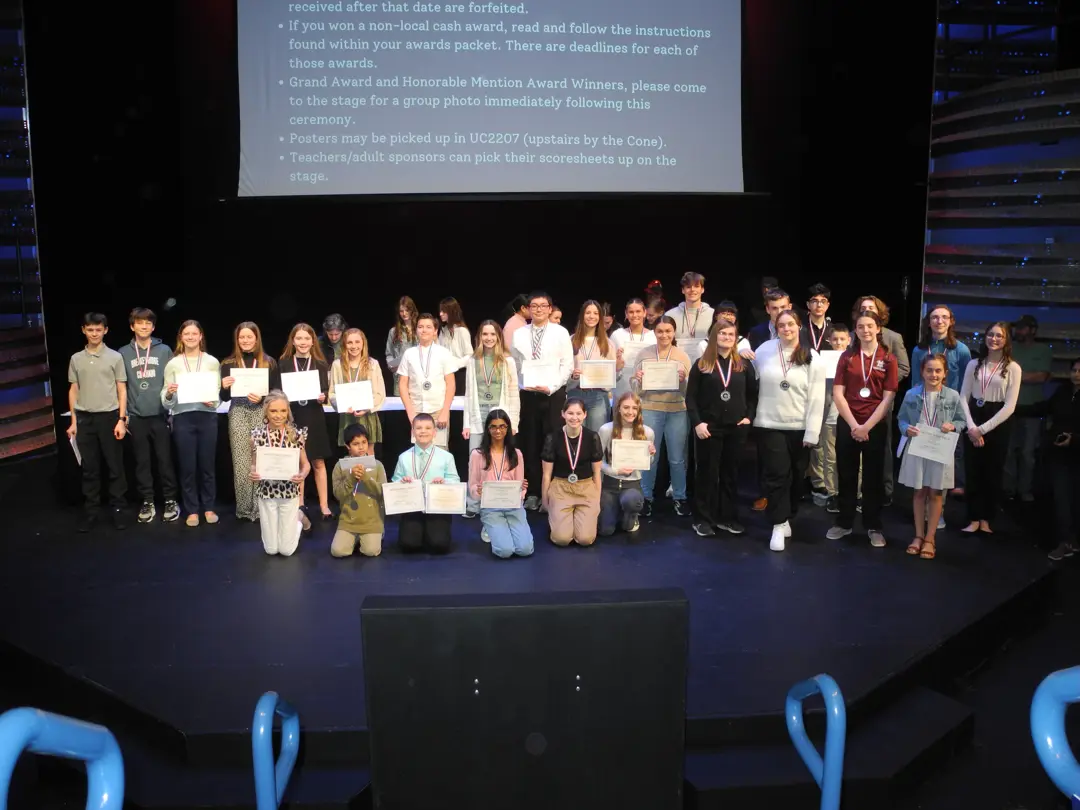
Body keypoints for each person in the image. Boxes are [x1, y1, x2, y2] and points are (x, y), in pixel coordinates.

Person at [752, 310, 826, 551]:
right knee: (777, 475)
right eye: (781, 325)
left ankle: (788, 515)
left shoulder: (812, 357)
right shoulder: (764, 350)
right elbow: (748, 374)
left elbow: (817, 397)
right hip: (769, 424)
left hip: (799, 427)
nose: (786, 329)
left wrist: (812, 432)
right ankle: (777, 523)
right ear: (776, 328)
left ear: (799, 326)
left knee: (795, 477)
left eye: (790, 324)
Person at [827, 310, 899, 547]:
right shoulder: (847, 357)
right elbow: (838, 393)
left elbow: (888, 398)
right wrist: (854, 425)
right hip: (849, 422)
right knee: (846, 474)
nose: (865, 330)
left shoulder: (888, 359)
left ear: (878, 328)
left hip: (875, 425)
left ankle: (873, 525)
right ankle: (844, 522)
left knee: (873, 477)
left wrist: (866, 426)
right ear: (855, 331)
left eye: (870, 326)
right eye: (860, 326)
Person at [687, 321, 756, 537]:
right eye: (722, 333)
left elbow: (753, 395)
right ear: (714, 336)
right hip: (709, 428)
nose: (727, 337)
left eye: (731, 334)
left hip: (736, 428)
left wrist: (748, 417)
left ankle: (727, 518)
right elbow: (690, 398)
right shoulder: (702, 364)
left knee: (730, 475)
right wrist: (697, 423)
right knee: (707, 474)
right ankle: (703, 519)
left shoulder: (744, 365)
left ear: (736, 338)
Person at [510, 291, 574, 510]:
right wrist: (522, 384)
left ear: (549, 309)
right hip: (528, 395)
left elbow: (567, 364)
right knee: (530, 443)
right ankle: (533, 492)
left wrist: (552, 387)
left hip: (553, 395)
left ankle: (554, 492)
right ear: (527, 309)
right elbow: (515, 364)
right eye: (534, 306)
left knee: (553, 442)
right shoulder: (519, 334)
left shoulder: (560, 332)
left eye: (543, 306)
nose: (538, 309)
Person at [896, 354, 965, 560]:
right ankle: (918, 535)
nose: (933, 374)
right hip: (918, 448)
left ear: (945, 373)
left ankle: (930, 538)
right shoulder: (911, 394)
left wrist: (953, 426)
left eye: (938, 371)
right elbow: (901, 419)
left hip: (940, 449)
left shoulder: (952, 396)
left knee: (935, 493)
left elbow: (961, 421)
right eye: (929, 370)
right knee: (919, 492)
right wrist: (906, 429)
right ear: (922, 372)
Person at [67, 312, 129, 532]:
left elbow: (122, 390)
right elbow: (74, 390)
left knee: (115, 467)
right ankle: (91, 512)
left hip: (109, 417)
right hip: (85, 418)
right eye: (90, 329)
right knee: (89, 468)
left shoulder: (115, 357)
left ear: (105, 330)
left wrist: (121, 419)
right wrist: (74, 421)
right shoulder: (76, 359)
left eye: (98, 329)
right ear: (84, 330)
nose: (94, 333)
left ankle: (119, 510)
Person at [958, 322, 1021, 534]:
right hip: (974, 418)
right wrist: (971, 427)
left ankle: (986, 518)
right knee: (973, 470)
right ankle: (973, 517)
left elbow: (1010, 406)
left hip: (997, 421)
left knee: (993, 471)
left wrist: (982, 430)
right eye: (991, 334)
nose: (994, 339)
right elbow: (963, 397)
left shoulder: (1013, 368)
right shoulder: (974, 364)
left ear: (1006, 340)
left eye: (999, 336)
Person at [1015, 357, 1080, 560]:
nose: (1076, 374)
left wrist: (1074, 439)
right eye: (1074, 370)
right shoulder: (1063, 391)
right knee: (1062, 499)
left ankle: (1071, 541)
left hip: (1076, 454)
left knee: (1073, 500)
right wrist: (1013, 409)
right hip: (1058, 453)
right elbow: (1043, 408)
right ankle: (1065, 541)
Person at [118, 307, 178, 524]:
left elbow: (173, 381)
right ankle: (147, 501)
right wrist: (124, 416)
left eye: (148, 323)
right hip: (136, 416)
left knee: (165, 461)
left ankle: (170, 500)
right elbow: (121, 386)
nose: (144, 327)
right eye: (139, 323)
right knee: (142, 463)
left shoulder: (164, 350)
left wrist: (171, 411)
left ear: (153, 327)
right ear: (132, 326)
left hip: (160, 415)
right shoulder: (123, 353)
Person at [629, 315, 692, 517]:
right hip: (650, 409)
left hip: (677, 411)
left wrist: (683, 381)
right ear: (654, 332)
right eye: (660, 331)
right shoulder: (644, 354)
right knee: (649, 457)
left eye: (668, 331)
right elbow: (635, 389)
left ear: (674, 333)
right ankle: (646, 497)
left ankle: (680, 497)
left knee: (677, 458)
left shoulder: (682, 356)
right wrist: (638, 380)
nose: (664, 335)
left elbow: (689, 391)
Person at [850, 295, 909, 505]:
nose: (866, 310)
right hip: (854, 405)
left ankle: (885, 490)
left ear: (879, 313)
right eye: (862, 307)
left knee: (882, 448)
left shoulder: (893, 337)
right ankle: (856, 492)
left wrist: (883, 384)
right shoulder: (852, 336)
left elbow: (904, 367)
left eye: (871, 307)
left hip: (882, 402)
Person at [911, 304, 972, 505]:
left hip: (949, 412)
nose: (939, 321)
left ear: (951, 321)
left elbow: (966, 385)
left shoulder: (961, 350)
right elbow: (915, 382)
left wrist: (959, 414)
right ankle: (922, 509)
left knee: (945, 464)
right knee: (923, 462)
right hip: (925, 410)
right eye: (935, 317)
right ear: (929, 322)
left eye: (944, 317)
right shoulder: (919, 349)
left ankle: (939, 510)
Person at [162, 319, 220, 527]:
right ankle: (192, 510)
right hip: (183, 418)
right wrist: (169, 393)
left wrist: (213, 401)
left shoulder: (212, 362)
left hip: (207, 417)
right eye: (186, 334)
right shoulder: (173, 364)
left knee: (207, 466)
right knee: (187, 467)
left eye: (194, 333)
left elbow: (217, 392)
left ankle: (209, 507)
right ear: (181, 337)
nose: (190, 337)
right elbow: (165, 398)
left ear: (200, 336)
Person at [219, 321, 277, 522]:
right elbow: (224, 398)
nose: (245, 340)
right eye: (241, 337)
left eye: (249, 337)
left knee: (263, 460)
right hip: (238, 412)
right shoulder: (228, 363)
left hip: (262, 411)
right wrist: (224, 387)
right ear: (237, 340)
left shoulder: (268, 362)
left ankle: (261, 508)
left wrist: (263, 398)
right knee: (241, 461)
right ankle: (244, 509)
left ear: (256, 338)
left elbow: (277, 392)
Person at [462, 320, 520, 515]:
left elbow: (514, 394)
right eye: (485, 334)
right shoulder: (472, 361)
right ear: (479, 337)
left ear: (499, 337)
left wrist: (513, 422)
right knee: (475, 460)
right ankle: (473, 504)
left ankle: (499, 500)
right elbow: (468, 394)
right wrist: (466, 424)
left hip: (499, 418)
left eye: (492, 334)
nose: (489, 338)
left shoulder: (507, 361)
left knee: (499, 460)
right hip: (478, 416)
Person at [280, 323, 332, 524]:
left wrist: (323, 396)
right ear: (293, 341)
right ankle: (299, 503)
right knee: (297, 462)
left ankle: (324, 505)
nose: (303, 342)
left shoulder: (320, 364)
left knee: (318, 461)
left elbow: (326, 391)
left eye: (307, 338)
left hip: (314, 416)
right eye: (299, 338)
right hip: (293, 417)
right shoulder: (284, 363)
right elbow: (277, 391)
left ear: (313, 341)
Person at [249, 391, 310, 556]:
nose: (278, 415)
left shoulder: (296, 435)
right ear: (266, 412)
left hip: (289, 493)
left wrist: (302, 475)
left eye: (283, 411)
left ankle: (299, 519)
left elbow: (306, 465)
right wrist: (253, 473)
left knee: (286, 551)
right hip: (266, 493)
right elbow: (254, 464)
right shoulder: (257, 435)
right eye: (273, 411)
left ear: (288, 411)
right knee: (271, 550)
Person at [391, 413, 461, 553]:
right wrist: (402, 482)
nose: (423, 431)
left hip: (437, 507)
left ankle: (430, 532)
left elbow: (455, 482)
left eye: (428, 428)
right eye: (419, 428)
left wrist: (444, 482)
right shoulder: (404, 457)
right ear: (413, 432)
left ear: (434, 432)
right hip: (412, 508)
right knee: (409, 545)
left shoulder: (446, 457)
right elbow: (395, 482)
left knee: (439, 545)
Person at [468, 408, 533, 558]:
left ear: (508, 428)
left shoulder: (516, 454)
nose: (498, 431)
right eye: (494, 427)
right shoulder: (477, 455)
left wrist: (522, 489)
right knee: (505, 551)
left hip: (513, 506)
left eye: (502, 426)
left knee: (525, 550)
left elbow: (520, 483)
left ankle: (505, 529)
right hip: (490, 507)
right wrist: (477, 490)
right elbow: (472, 485)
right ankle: (490, 527)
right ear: (488, 429)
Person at [541, 398, 604, 546]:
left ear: (585, 415)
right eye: (570, 413)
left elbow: (597, 473)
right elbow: (547, 474)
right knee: (561, 539)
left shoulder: (592, 437)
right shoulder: (553, 437)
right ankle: (559, 520)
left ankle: (576, 519)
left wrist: (597, 499)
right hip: (561, 488)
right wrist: (545, 501)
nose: (574, 417)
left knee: (585, 539)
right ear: (563, 414)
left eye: (578, 413)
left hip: (586, 488)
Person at [1004, 314, 1052, 503]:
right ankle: (1008, 489)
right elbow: (1002, 374)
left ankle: (1025, 490)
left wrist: (1015, 376)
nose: (1019, 331)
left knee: (1028, 453)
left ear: (1033, 330)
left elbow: (1042, 377)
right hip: (1009, 409)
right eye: (1018, 327)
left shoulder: (1043, 350)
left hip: (1032, 409)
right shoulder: (1010, 348)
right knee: (1008, 451)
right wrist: (1026, 376)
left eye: (1023, 327)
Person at [597, 392, 655, 536]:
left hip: (632, 485)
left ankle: (631, 517)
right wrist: (616, 471)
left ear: (639, 410)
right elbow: (597, 462)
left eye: (634, 408)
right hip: (609, 484)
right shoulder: (606, 430)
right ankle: (615, 510)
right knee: (606, 531)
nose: (630, 412)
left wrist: (650, 455)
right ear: (618, 408)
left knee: (631, 503)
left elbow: (647, 464)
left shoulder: (647, 432)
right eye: (626, 407)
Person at [398, 312, 457, 448]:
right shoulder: (409, 354)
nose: (424, 330)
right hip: (417, 411)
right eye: (420, 327)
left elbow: (451, 384)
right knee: (420, 453)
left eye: (428, 327)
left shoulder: (444, 353)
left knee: (440, 452)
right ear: (416, 330)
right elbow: (402, 385)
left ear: (435, 331)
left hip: (438, 411)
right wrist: (411, 413)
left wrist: (445, 412)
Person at [330, 423, 387, 558]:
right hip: (348, 521)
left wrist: (366, 478)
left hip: (371, 520)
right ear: (348, 446)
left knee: (371, 551)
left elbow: (383, 493)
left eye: (364, 442)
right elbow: (338, 494)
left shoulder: (377, 465)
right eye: (356, 444)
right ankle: (353, 539)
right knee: (338, 552)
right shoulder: (340, 466)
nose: (361, 447)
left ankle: (377, 534)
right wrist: (351, 478)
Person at [328, 327, 385, 455]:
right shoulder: (337, 365)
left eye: (357, 342)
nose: (354, 346)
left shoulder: (373, 364)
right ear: (344, 344)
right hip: (347, 417)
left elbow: (379, 393)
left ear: (363, 343)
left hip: (367, 416)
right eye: (350, 342)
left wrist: (367, 408)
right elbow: (332, 393)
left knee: (368, 452)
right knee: (351, 453)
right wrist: (342, 405)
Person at [568, 299, 619, 432]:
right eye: (588, 313)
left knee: (596, 436)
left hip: (598, 395)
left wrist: (616, 369)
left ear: (600, 317)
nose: (592, 316)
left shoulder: (608, 343)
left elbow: (613, 375)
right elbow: (564, 370)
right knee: (575, 435)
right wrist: (573, 376)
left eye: (596, 313)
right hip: (575, 393)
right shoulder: (571, 340)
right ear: (582, 315)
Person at [819, 324, 851, 513]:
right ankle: (833, 493)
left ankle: (855, 494)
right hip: (830, 414)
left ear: (849, 340)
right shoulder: (823, 361)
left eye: (842, 339)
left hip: (851, 417)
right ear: (829, 341)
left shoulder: (856, 359)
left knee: (853, 458)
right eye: (835, 339)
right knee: (830, 457)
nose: (839, 343)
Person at [665, 271, 714, 365]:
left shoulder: (713, 314)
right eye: (688, 287)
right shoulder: (670, 315)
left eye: (696, 286)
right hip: (677, 365)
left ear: (702, 289)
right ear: (683, 290)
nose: (692, 290)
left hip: (706, 365)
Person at [384, 296, 418, 377]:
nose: (404, 313)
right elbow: (389, 354)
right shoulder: (393, 331)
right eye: (401, 311)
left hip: (417, 374)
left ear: (412, 310)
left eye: (407, 310)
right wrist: (392, 366)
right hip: (400, 374)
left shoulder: (419, 329)